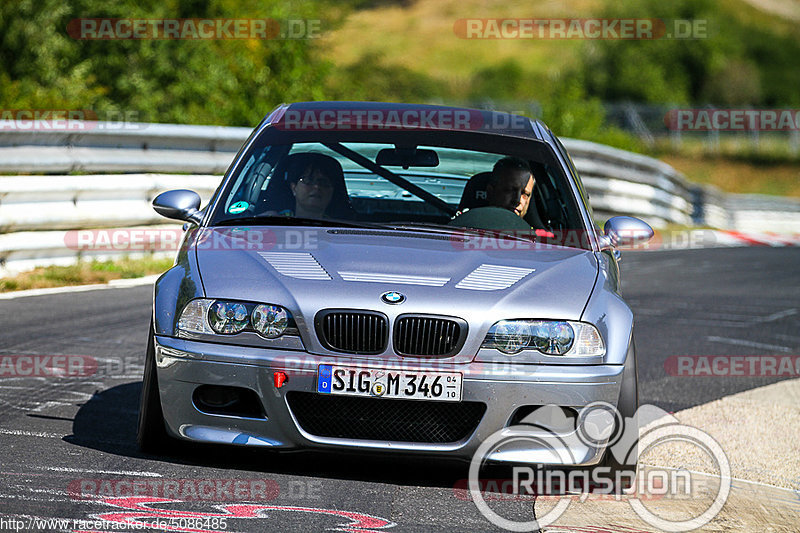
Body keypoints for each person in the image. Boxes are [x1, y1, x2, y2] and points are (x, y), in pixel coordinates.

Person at [267, 152, 355, 219]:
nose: (316, 187)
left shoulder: (344, 229)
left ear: (332, 191)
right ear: (293, 188)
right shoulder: (270, 221)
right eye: (308, 180)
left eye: (324, 182)